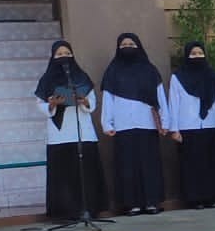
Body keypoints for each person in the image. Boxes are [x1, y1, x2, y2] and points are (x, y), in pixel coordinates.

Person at [35, 39, 107, 220]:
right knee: (64, 177)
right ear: (53, 57)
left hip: (82, 132)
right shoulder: (46, 80)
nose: (64, 57)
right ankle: (65, 212)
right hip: (60, 135)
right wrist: (52, 104)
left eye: (67, 54)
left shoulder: (82, 77)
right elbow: (40, 104)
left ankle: (89, 209)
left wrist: (85, 101)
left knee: (85, 174)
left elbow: (92, 102)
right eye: (59, 54)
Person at [100, 32, 168, 216]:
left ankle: (151, 202)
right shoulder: (113, 71)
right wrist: (107, 123)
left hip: (147, 124)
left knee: (149, 165)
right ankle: (132, 205)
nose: (127, 46)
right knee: (127, 166)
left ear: (138, 46)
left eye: (131, 43)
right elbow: (108, 99)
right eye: (123, 44)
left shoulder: (149, 70)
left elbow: (160, 96)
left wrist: (164, 121)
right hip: (123, 126)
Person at [166, 41, 215, 209]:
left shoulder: (213, 77)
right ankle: (195, 199)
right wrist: (174, 129)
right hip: (188, 127)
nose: (197, 56)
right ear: (187, 55)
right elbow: (173, 103)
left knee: (211, 163)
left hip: (210, 126)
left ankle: (212, 197)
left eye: (200, 53)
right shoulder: (178, 77)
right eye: (193, 53)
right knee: (192, 165)